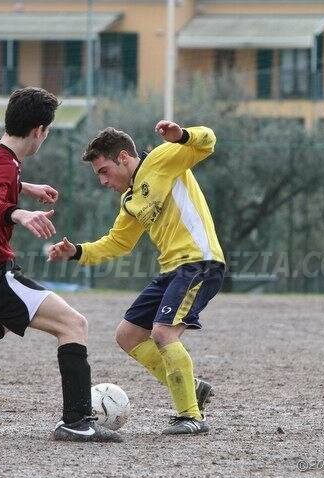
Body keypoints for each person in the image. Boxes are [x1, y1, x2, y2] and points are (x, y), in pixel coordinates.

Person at [0, 87, 121, 443]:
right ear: (39, 131)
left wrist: (25, 187)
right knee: (73, 324)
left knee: (0, 320)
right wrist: (20, 211)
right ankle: (75, 420)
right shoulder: (5, 163)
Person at [48, 121, 225, 436]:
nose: (103, 180)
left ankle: (192, 416)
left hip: (200, 261)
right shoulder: (131, 200)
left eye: (104, 171)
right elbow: (118, 243)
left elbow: (207, 142)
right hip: (172, 269)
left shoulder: (161, 159)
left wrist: (183, 136)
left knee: (162, 333)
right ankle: (190, 387)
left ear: (124, 158)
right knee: (127, 335)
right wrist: (76, 252)